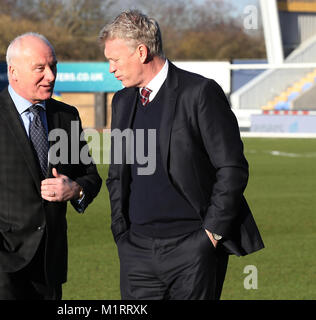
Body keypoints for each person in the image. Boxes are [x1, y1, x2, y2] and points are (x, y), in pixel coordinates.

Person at [101, 10, 264, 300]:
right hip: (136, 251)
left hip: (193, 249)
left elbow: (232, 168)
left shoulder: (199, 93)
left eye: (114, 60)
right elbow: (117, 174)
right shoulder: (123, 101)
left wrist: (210, 235)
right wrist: (120, 231)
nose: (111, 69)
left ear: (141, 52)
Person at [0, 32, 102, 300]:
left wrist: (75, 189)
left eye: (53, 66)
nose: (51, 76)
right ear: (13, 72)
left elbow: (90, 176)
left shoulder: (66, 116)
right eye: (40, 68)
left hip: (49, 263)